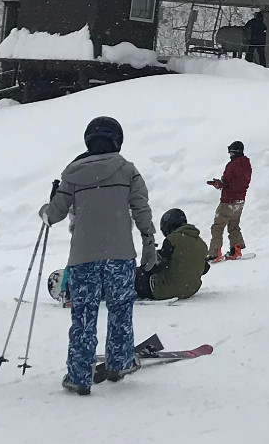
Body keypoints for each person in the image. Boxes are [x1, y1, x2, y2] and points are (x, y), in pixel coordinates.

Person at [42, 115, 157, 395]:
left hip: (83, 257)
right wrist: (149, 243)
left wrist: (46, 207)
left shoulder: (72, 173)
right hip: (120, 255)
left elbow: (53, 214)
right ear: (117, 140)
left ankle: (79, 376)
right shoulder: (128, 170)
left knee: (83, 315)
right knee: (120, 310)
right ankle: (119, 364)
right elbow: (141, 209)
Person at [136, 208, 211, 301]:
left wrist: (144, 267)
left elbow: (158, 266)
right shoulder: (201, 243)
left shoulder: (173, 239)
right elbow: (204, 268)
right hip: (191, 290)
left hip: (168, 290)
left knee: (135, 275)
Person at [206, 140, 250, 261]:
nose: (230, 155)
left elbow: (225, 182)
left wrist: (217, 184)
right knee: (234, 226)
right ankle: (236, 250)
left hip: (228, 200)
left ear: (234, 152)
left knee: (218, 227)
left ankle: (215, 253)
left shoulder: (232, 165)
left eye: (230, 153)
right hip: (240, 200)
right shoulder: (247, 165)